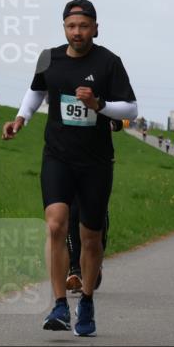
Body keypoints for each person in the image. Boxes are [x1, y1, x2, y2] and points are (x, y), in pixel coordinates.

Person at [2, 0, 137, 337]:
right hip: (57, 156)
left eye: (84, 26)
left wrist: (98, 104)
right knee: (55, 224)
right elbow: (35, 91)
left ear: (95, 28)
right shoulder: (49, 58)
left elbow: (131, 109)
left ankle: (87, 301)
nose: (77, 32)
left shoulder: (109, 62)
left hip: (95, 162)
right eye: (71, 26)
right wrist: (21, 118)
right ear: (64, 27)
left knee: (91, 238)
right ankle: (60, 305)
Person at [66, 119, 123, 292]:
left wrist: (111, 125)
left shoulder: (104, 102)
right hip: (69, 160)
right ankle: (75, 269)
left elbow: (120, 119)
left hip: (98, 162)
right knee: (72, 213)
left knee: (95, 216)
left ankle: (94, 263)